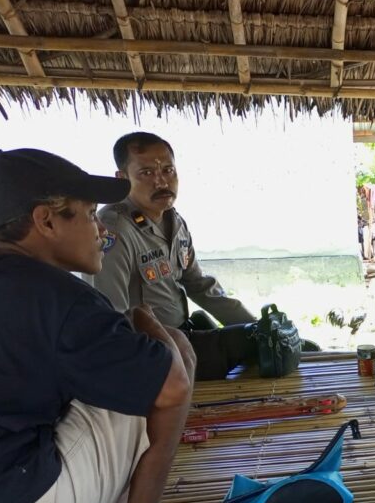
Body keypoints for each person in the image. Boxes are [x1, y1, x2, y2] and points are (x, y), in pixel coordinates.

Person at [0, 149, 213, 503]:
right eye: (89, 214)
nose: (101, 228)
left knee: (106, 374)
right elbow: (171, 388)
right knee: (171, 356)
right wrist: (145, 320)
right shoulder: (59, 298)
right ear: (46, 222)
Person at [90, 132, 258, 380]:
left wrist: (255, 324)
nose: (161, 182)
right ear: (122, 178)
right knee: (256, 346)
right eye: (146, 173)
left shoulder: (174, 221)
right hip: (152, 353)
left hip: (181, 339)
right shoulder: (114, 228)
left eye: (168, 170)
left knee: (265, 338)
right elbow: (110, 315)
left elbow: (198, 285)